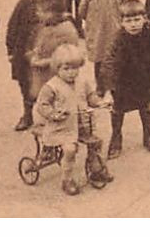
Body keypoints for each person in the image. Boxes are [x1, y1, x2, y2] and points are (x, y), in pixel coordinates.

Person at [34, 43, 112, 197]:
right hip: (61, 127)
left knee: (96, 143)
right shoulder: (51, 87)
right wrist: (53, 114)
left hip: (82, 124)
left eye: (75, 68)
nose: (71, 73)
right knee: (70, 149)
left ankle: (95, 170)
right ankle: (67, 179)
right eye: (66, 69)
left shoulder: (82, 82)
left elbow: (91, 96)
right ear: (57, 68)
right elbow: (42, 105)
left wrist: (99, 102)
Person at [5, 0, 66, 130]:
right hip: (25, 52)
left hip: (48, 52)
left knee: (52, 83)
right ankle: (27, 113)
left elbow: (64, 27)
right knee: (26, 84)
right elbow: (13, 27)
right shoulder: (24, 4)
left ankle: (52, 115)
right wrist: (10, 50)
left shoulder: (57, 2)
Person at [106, 0, 150, 157]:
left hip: (145, 75)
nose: (133, 24)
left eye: (137, 19)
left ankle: (148, 134)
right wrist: (109, 86)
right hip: (124, 79)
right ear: (121, 22)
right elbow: (110, 62)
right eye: (128, 20)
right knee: (118, 109)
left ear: (145, 18)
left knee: (145, 105)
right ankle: (116, 137)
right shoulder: (119, 38)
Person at [78, 0, 124, 96]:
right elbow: (82, 10)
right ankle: (100, 86)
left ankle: (116, 84)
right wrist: (91, 22)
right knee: (99, 60)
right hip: (97, 31)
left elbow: (126, 6)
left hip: (114, 30)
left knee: (115, 58)